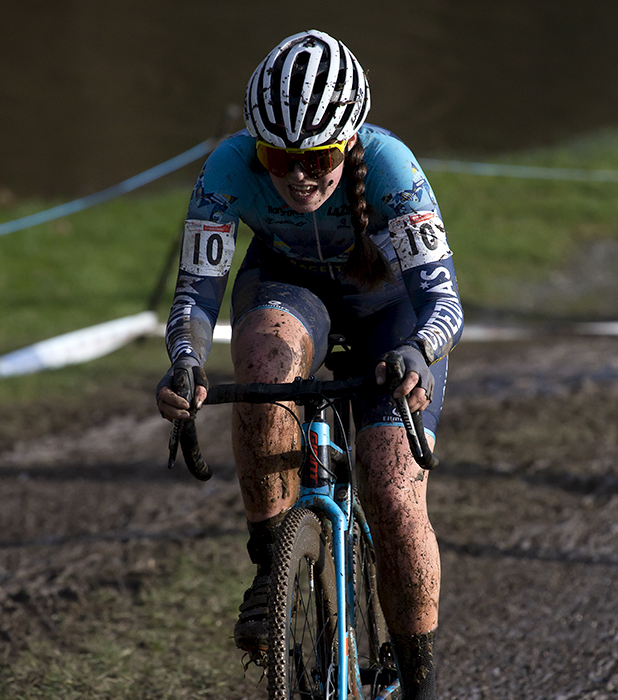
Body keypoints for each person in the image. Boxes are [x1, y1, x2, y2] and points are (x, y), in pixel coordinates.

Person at [156, 29, 463, 700]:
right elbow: (197, 292)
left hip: (391, 316)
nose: (297, 175)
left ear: (348, 144)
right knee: (265, 365)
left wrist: (419, 352)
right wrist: (185, 360)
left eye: (318, 156)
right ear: (254, 146)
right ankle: (271, 567)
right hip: (290, 293)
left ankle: (420, 679)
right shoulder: (225, 168)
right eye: (277, 156)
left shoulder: (391, 165)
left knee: (392, 492)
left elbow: (443, 302)